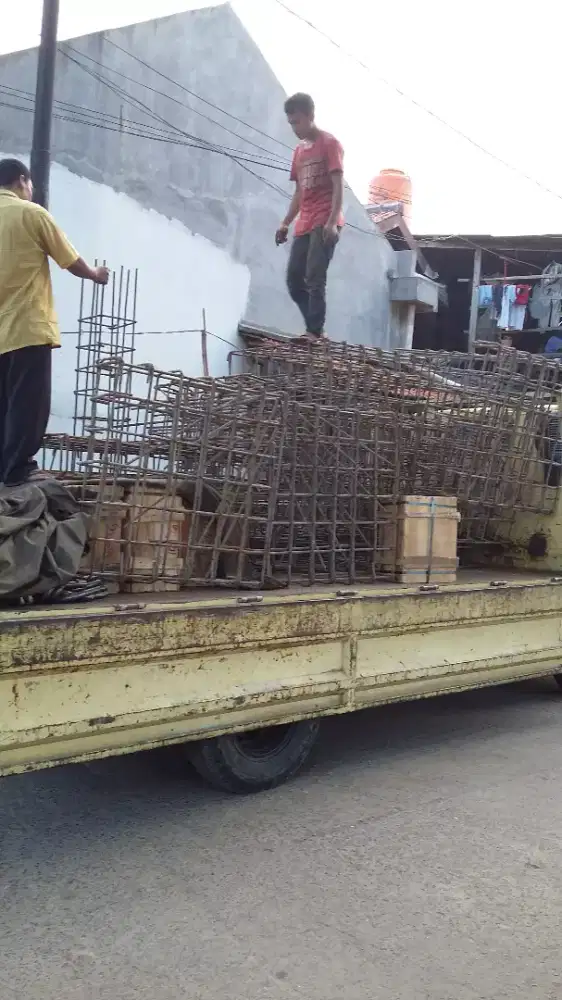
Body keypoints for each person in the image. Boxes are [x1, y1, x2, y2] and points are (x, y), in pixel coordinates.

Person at [0, 158, 109, 487]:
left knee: (3, 406)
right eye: (30, 185)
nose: (31, 191)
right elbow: (69, 259)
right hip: (27, 327)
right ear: (22, 181)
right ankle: (16, 469)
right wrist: (95, 274)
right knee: (27, 404)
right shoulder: (31, 214)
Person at [275, 93, 344, 339]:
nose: (295, 128)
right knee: (294, 279)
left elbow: (338, 185)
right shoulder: (299, 152)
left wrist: (332, 222)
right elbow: (299, 192)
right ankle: (315, 328)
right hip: (304, 222)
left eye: (298, 122)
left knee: (315, 276)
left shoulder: (330, 144)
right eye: (291, 123)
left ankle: (314, 332)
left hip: (325, 220)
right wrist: (285, 223)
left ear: (311, 116)